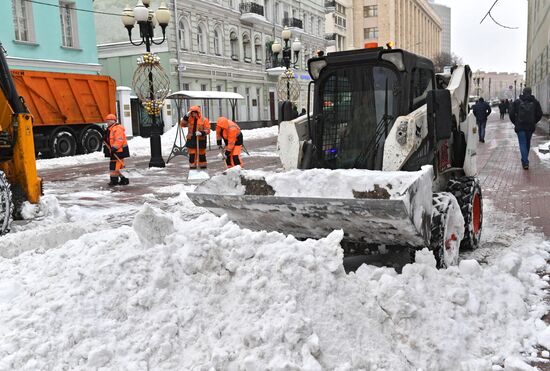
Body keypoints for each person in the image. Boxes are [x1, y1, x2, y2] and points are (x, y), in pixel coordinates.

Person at [509, 87, 543, 170]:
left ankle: (525, 161)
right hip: (530, 126)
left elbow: (511, 114)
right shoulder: (535, 102)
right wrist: (534, 121)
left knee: (522, 143)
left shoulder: (517, 102)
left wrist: (515, 122)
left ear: (523, 92)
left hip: (520, 126)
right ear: (531, 92)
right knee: (527, 143)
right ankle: (525, 160)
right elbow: (540, 114)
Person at [104, 113, 130, 186]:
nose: (107, 122)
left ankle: (114, 181)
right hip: (116, 150)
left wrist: (114, 148)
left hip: (119, 151)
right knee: (119, 166)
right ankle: (124, 179)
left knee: (114, 166)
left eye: (109, 121)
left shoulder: (117, 129)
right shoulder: (111, 128)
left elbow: (119, 140)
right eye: (107, 121)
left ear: (113, 121)